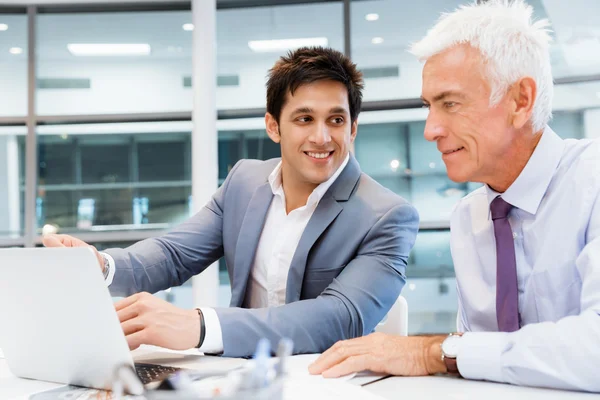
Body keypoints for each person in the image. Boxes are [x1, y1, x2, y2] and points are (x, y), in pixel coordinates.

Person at [43, 46, 420, 358]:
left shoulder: (387, 216)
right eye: (304, 118)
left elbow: (342, 317)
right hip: (238, 376)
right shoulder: (245, 181)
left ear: (352, 128)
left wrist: (199, 326)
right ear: (273, 126)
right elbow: (175, 254)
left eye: (336, 120)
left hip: (320, 383)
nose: (322, 137)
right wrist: (102, 264)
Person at [309, 0, 600, 392]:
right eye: (430, 106)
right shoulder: (469, 217)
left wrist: (432, 353)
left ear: (521, 101)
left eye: (450, 104)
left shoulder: (591, 182)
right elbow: (478, 362)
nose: (430, 130)